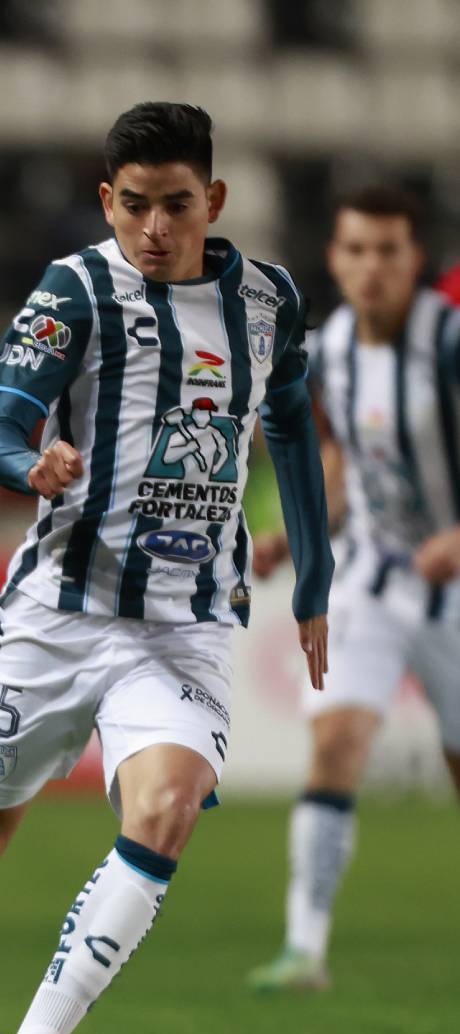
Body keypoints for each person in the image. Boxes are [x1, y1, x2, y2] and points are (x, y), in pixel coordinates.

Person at [0, 103, 334, 1034]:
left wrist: (318, 587)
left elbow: (289, 423)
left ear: (216, 200)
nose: (153, 227)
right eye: (133, 205)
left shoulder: (268, 300)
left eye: (175, 204)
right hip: (57, 619)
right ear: (106, 199)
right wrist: (34, 462)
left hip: (186, 625)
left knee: (162, 812)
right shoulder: (76, 290)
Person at [247, 187, 460, 992]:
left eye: (389, 251)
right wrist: (296, 536)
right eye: (357, 250)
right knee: (336, 745)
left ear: (416, 263)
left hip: (456, 589)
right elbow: (337, 466)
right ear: (335, 259)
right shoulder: (327, 349)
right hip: (370, 575)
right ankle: (306, 950)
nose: (372, 267)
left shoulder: (450, 344)